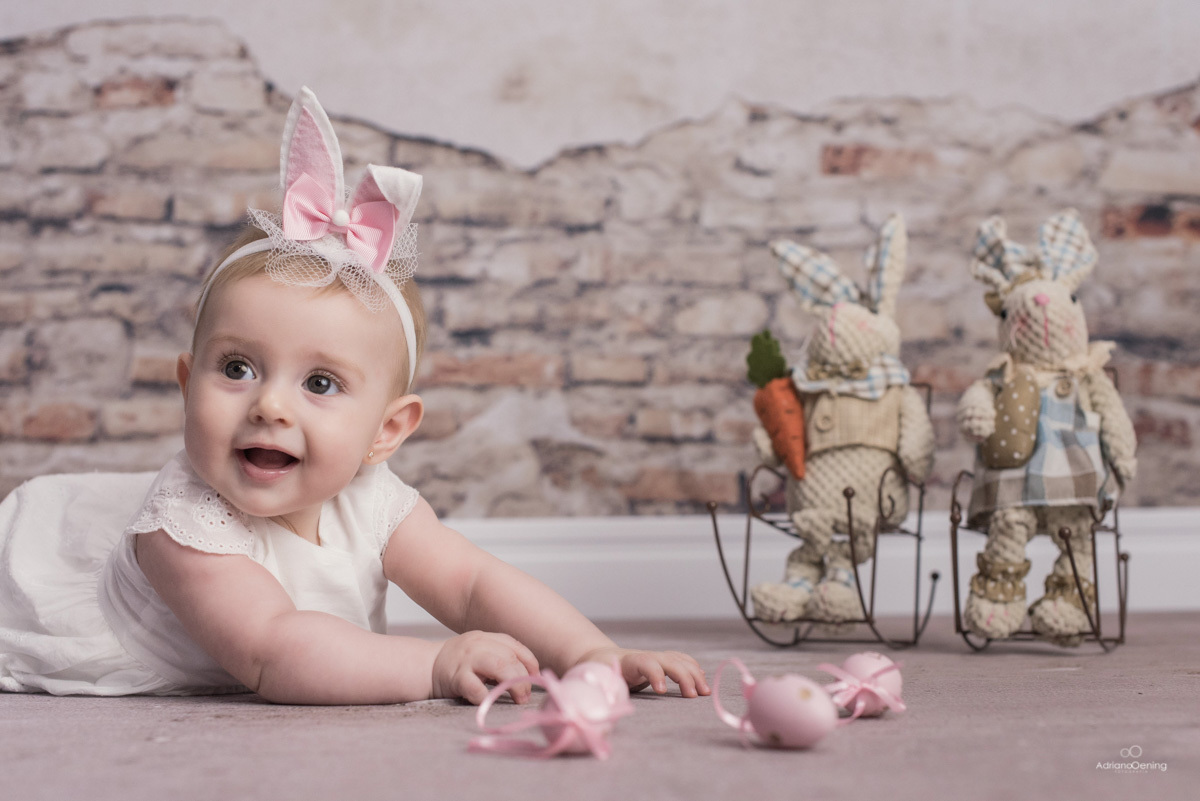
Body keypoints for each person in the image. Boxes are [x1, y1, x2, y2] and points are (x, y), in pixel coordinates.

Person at [0, 87, 709, 705]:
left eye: (320, 383)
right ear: (188, 385)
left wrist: (590, 654)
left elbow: (471, 585)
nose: (271, 405)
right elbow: (274, 651)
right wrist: (434, 661)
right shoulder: (180, 527)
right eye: (239, 368)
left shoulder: (372, 500)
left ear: (386, 431)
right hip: (38, 571)